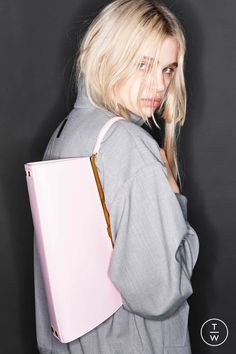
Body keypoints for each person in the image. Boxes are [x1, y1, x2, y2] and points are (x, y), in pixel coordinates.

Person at [33, 0, 200, 353]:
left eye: (168, 69)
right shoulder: (129, 145)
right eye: (144, 64)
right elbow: (157, 295)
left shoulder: (67, 130)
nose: (159, 85)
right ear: (109, 56)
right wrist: (176, 206)